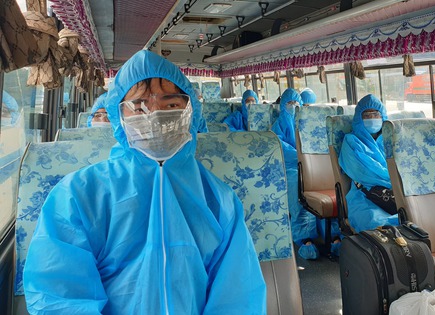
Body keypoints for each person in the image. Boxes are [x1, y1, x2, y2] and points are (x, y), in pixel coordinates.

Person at [23, 50, 266, 314]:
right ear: (120, 118)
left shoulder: (220, 200)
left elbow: (238, 296)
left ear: (191, 114)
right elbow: (60, 295)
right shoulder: (79, 195)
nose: (155, 116)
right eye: (139, 108)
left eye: (171, 105)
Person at [271, 88, 321, 260]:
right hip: (290, 166)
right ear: (283, 105)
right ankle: (303, 236)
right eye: (289, 103)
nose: (293, 106)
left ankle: (332, 232)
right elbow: (279, 146)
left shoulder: (307, 123)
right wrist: (302, 157)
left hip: (311, 164)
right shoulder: (278, 125)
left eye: (296, 103)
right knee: (295, 184)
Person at [339, 94, 398, 232]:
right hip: (365, 195)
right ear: (359, 118)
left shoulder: (391, 141)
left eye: (376, 114)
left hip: (396, 193)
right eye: (367, 115)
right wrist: (395, 180)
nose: (372, 119)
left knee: (413, 219)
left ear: (383, 116)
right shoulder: (351, 141)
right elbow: (363, 173)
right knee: (378, 226)